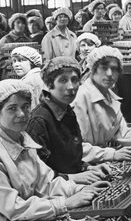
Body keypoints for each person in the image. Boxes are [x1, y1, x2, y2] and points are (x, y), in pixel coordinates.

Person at [0, 79, 108, 221]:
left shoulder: (24, 140)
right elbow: (13, 207)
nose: (22, 114)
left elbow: (47, 183)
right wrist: (64, 204)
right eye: (12, 109)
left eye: (25, 107)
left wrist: (80, 189)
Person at [72, 46, 131, 163]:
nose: (109, 74)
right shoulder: (79, 99)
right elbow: (74, 148)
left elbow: (122, 133)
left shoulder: (109, 98)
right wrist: (112, 154)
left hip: (96, 161)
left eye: (114, 69)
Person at [26, 56, 111, 186]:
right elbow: (38, 176)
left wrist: (88, 167)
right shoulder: (39, 121)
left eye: (74, 80)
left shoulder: (66, 111)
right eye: (63, 80)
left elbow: (68, 158)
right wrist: (73, 178)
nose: (71, 87)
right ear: (49, 84)